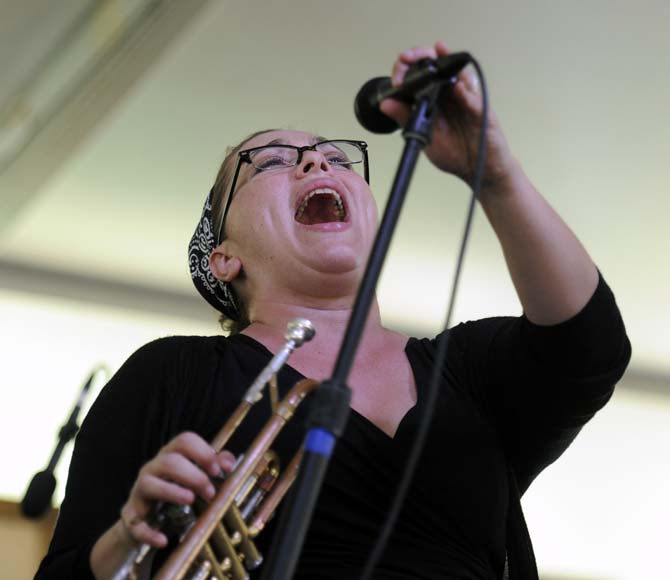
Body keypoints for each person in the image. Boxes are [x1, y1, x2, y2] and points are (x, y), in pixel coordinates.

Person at [36, 41, 631, 580]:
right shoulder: (170, 375)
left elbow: (589, 347)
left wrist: (494, 173)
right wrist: (128, 540)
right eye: (269, 163)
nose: (317, 164)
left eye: (337, 159)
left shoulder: (467, 369)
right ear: (224, 257)